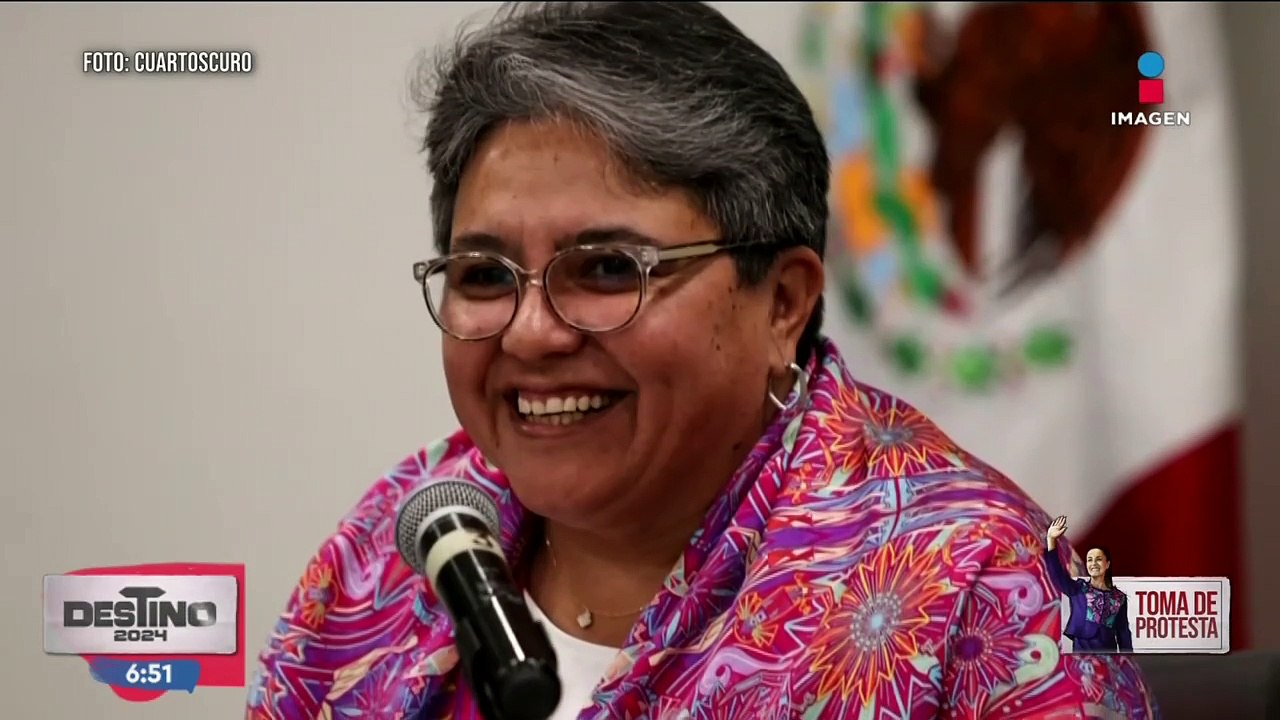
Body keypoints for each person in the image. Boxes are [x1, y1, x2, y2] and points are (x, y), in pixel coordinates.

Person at [246, 3, 1158, 718]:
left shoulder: (989, 586)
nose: (530, 334)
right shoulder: (400, 541)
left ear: (783, 302)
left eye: (607, 268)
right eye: (484, 275)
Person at [1045, 515, 1135, 654]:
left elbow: (1123, 631)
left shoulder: (1119, 597)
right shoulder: (1079, 589)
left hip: (1108, 656)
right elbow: (1057, 576)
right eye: (1089, 560)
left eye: (1098, 559)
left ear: (1107, 564)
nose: (1093, 564)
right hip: (1083, 657)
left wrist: (1127, 658)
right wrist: (1051, 540)